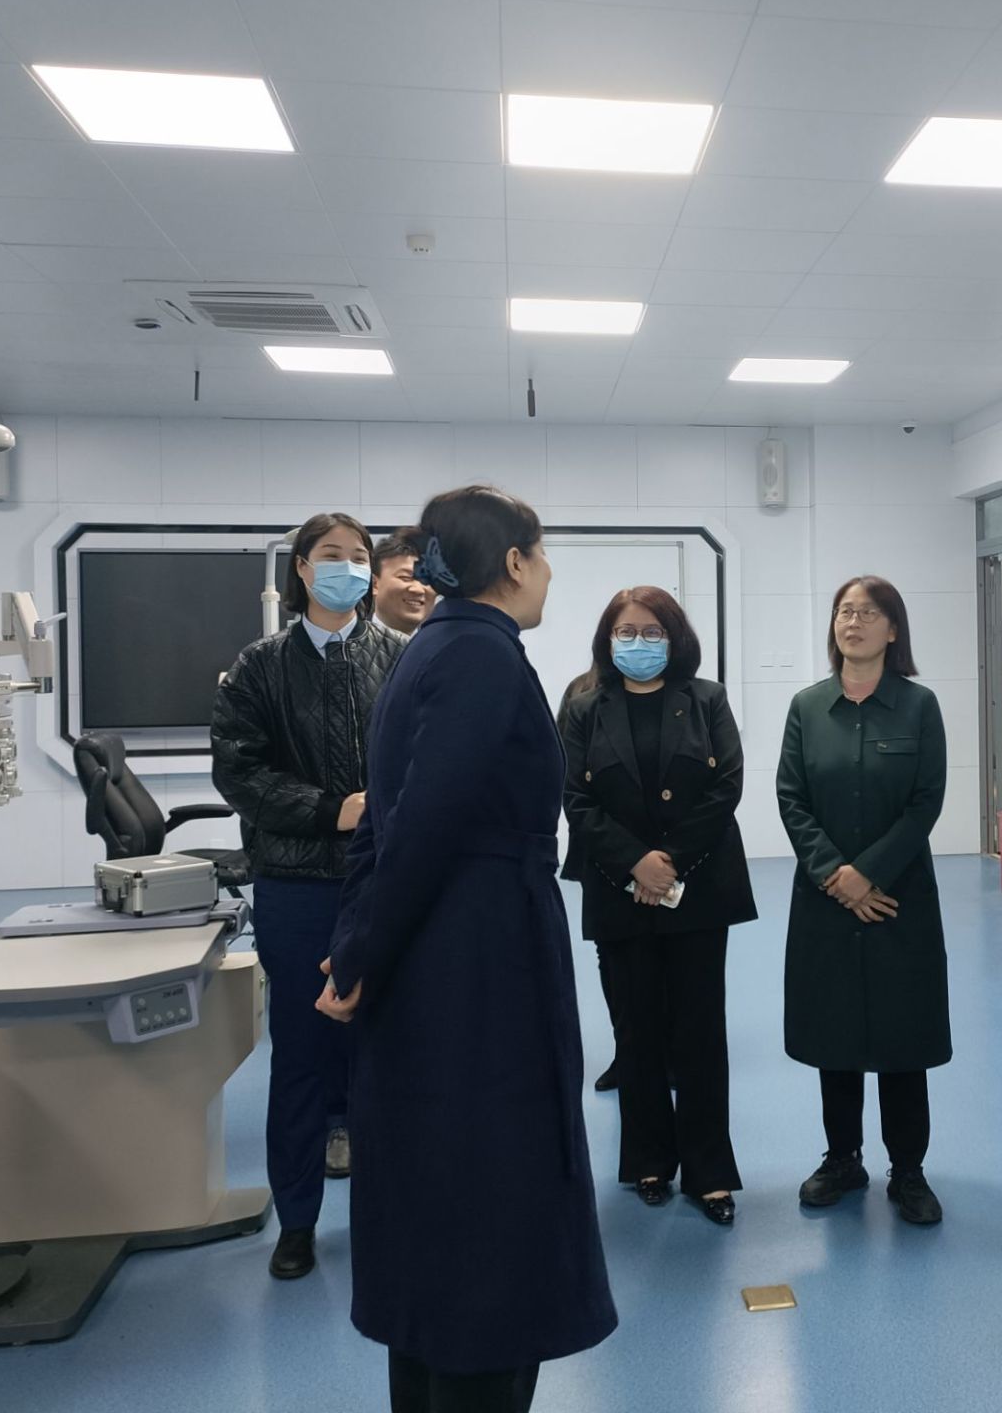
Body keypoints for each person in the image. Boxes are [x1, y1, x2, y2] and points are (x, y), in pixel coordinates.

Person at [318, 485, 615, 1413]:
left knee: (436, 1191)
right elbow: (422, 829)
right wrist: (362, 952)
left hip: (438, 952)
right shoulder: (482, 658)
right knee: (493, 1193)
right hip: (479, 961)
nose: (550, 572)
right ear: (515, 562)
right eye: (544, 553)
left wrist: (356, 943)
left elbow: (384, 824)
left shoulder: (429, 649)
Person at [211, 512, 404, 1282]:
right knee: (300, 1055)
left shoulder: (400, 659)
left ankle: (387, 1215)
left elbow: (427, 758)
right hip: (295, 886)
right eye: (332, 555)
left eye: (360, 556)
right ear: (301, 568)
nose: (348, 568)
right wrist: (331, 810)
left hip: (383, 883)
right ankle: (297, 1221)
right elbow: (240, 773)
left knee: (383, 1054)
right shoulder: (258, 667)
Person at [559, 587, 754, 1226]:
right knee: (636, 1031)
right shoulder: (584, 708)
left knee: (700, 1033)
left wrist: (666, 862)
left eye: (651, 632)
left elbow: (726, 785)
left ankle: (709, 1173)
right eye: (626, 632)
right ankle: (647, 1161)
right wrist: (634, 863)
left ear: (675, 638)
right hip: (618, 889)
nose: (638, 643)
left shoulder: (707, 699)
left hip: (697, 887)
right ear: (607, 639)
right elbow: (575, 798)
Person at [779, 577, 950, 1226]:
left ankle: (908, 1170)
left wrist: (869, 874)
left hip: (898, 897)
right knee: (836, 1033)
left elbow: (925, 801)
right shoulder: (807, 707)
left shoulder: (919, 706)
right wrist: (835, 875)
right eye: (845, 612)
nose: (853, 622)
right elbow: (791, 797)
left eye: (869, 613)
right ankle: (842, 1159)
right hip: (825, 901)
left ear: (893, 629)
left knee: (903, 1036)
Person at [555, 669, 622, 1094]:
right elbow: (565, 768)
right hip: (596, 843)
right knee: (609, 951)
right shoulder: (579, 693)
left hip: (658, 848)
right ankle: (627, 1049)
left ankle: (668, 1050)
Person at [369, 526, 433, 639]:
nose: (418, 589)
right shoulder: (345, 642)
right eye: (405, 577)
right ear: (374, 584)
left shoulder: (445, 645)